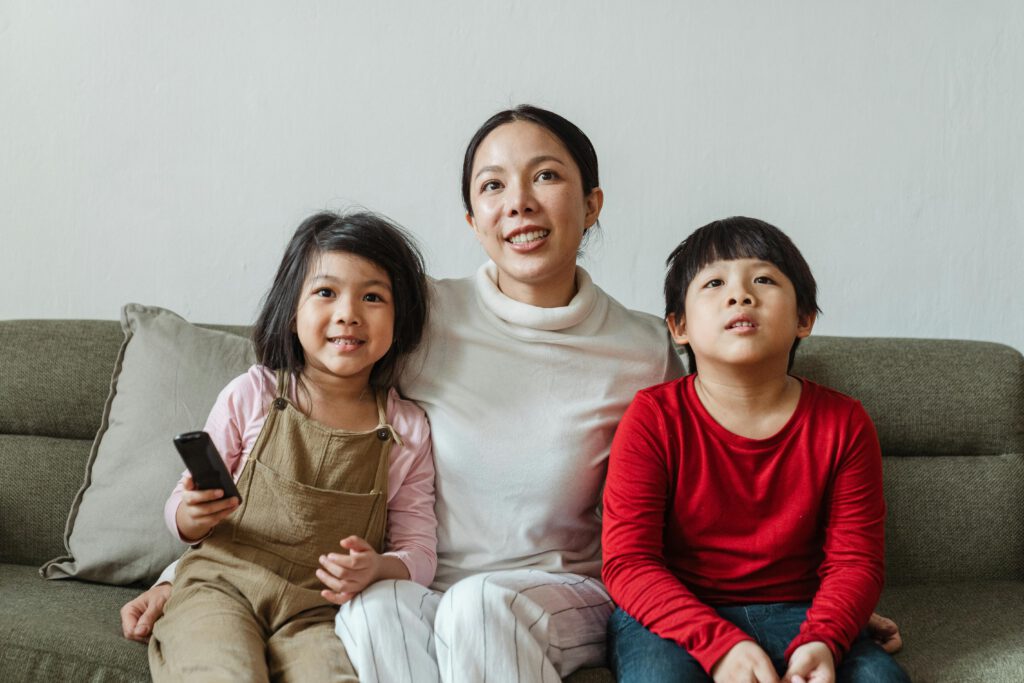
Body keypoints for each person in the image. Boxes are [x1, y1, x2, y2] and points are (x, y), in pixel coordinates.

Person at [121, 107, 902, 680]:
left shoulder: (645, 344)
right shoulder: (417, 315)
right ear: (472, 217)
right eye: (493, 185)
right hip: (423, 583)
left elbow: (714, 485)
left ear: (591, 204)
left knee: (481, 606)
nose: (519, 201)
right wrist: (178, 577)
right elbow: (292, 434)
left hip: (565, 589)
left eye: (547, 176)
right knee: (369, 611)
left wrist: (813, 613)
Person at [602, 217, 909, 683]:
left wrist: (824, 637)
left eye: (763, 279)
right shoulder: (653, 418)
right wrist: (721, 646)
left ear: (804, 318)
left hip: (803, 615)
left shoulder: (844, 423)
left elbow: (855, 562)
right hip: (675, 618)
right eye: (714, 283)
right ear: (678, 326)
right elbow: (629, 563)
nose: (740, 295)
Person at [146, 211, 437, 682]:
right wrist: (189, 515)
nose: (348, 313)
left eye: (373, 296)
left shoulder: (408, 428)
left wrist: (379, 567)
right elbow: (181, 503)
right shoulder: (252, 393)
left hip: (317, 615)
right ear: (291, 311)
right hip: (219, 587)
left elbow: (420, 552)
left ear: (401, 320)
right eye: (326, 292)